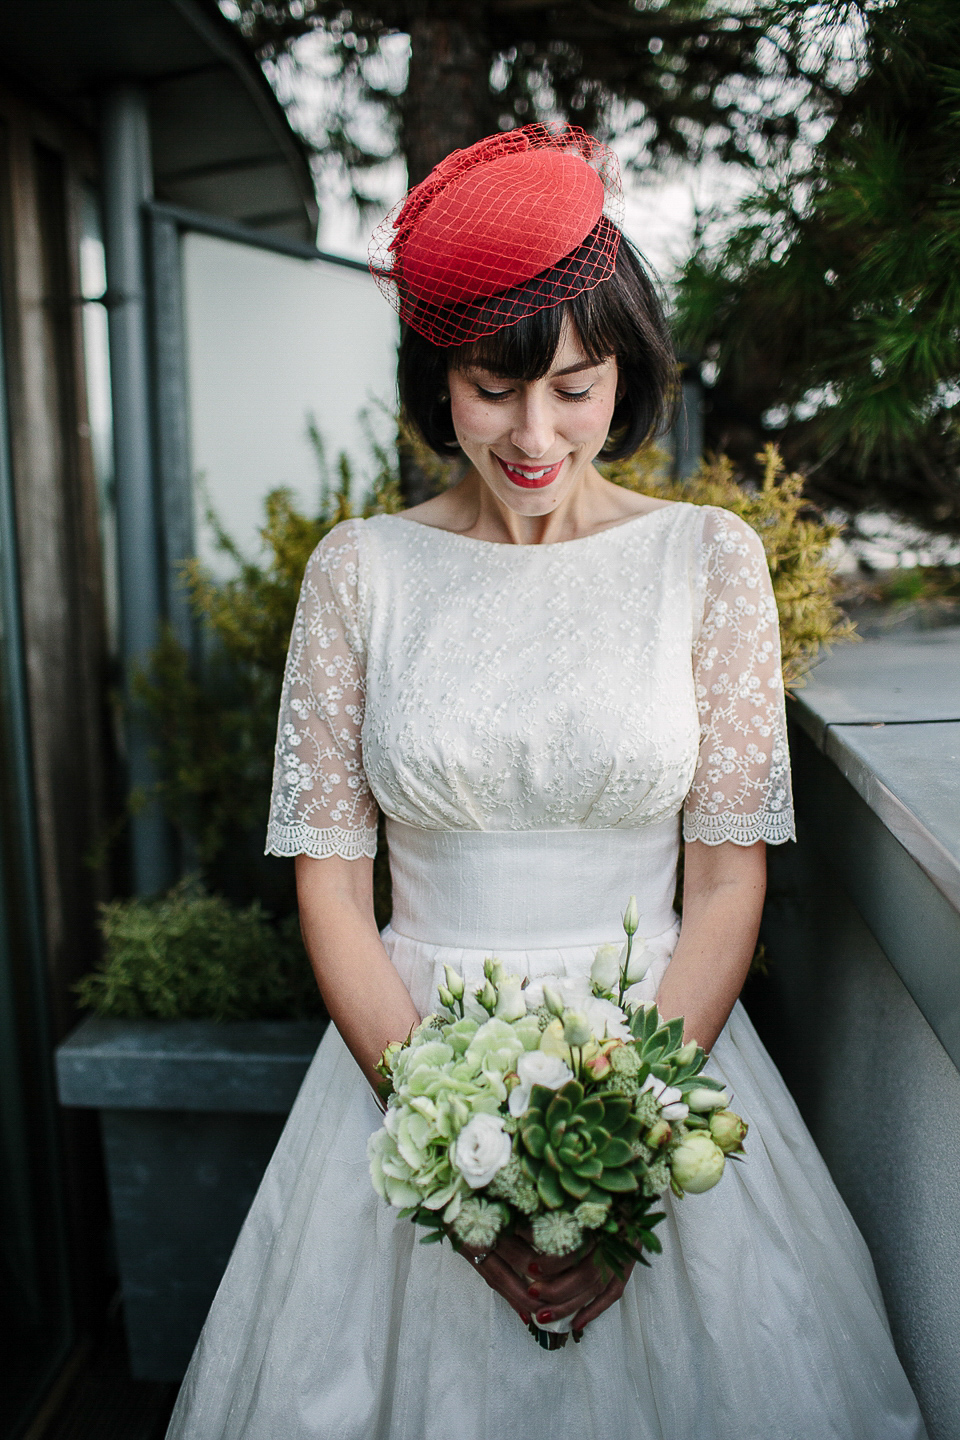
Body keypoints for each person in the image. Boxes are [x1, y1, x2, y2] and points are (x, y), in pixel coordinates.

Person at [166, 125, 926, 1439]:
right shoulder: (359, 572)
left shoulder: (710, 560)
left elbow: (729, 880)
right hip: (410, 1057)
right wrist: (451, 1163)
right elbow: (336, 898)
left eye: (576, 388)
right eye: (491, 388)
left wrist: (624, 1148)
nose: (533, 433)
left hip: (656, 1049)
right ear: (439, 379)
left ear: (626, 376)